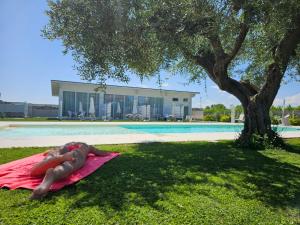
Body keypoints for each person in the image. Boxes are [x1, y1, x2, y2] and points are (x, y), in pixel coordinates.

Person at [29, 142, 108, 200]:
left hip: (60, 149)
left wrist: (50, 153)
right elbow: (99, 152)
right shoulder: (84, 145)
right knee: (70, 163)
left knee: (53, 155)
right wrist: (106, 153)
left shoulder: (65, 145)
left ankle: (55, 159)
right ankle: (53, 174)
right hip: (75, 152)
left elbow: (49, 152)